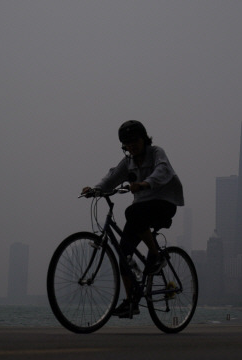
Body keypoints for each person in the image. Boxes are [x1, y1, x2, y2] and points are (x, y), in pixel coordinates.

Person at [82, 120, 184, 318]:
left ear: (144, 139)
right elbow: (112, 177)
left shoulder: (156, 153)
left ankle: (156, 256)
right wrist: (95, 189)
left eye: (135, 141)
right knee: (123, 254)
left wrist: (145, 183)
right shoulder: (127, 162)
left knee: (132, 213)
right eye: (127, 143)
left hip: (164, 203)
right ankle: (131, 302)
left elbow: (163, 170)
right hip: (142, 209)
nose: (132, 146)